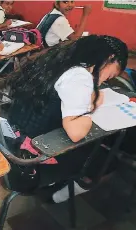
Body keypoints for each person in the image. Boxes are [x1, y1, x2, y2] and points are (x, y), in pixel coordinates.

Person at [8, 35, 128, 203]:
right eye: (110, 75)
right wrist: (93, 105)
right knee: (107, 161)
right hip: (33, 159)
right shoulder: (80, 77)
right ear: (109, 58)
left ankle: (58, 184)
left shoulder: (60, 61)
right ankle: (57, 197)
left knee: (93, 146)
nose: (106, 80)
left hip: (14, 142)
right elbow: (76, 133)